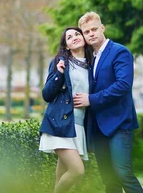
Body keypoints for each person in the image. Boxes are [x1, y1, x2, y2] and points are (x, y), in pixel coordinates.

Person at [74, 12, 143, 193]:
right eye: (86, 31)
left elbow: (123, 85)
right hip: (97, 127)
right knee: (109, 179)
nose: (91, 34)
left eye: (94, 29)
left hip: (119, 123)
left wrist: (91, 99)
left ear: (102, 28)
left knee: (122, 173)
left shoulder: (119, 52)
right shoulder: (90, 58)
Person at [39, 27, 93, 193]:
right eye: (69, 37)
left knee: (61, 177)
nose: (75, 37)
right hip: (59, 124)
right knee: (77, 171)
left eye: (77, 34)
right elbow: (47, 95)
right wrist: (59, 74)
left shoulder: (92, 65)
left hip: (78, 126)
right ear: (67, 46)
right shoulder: (61, 63)